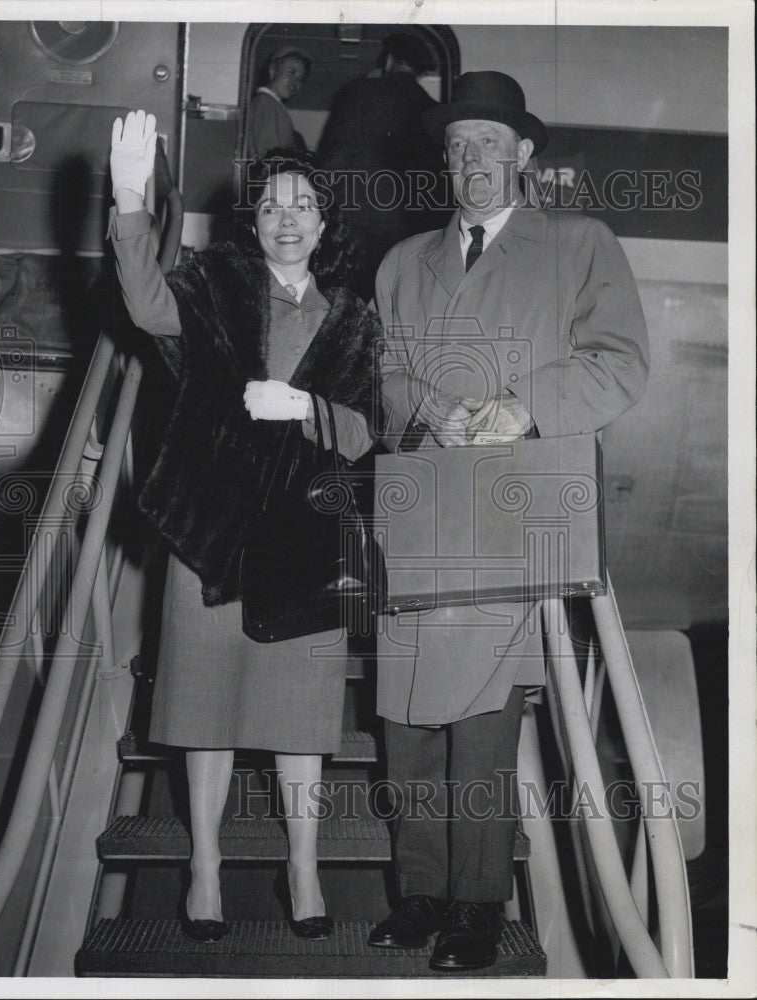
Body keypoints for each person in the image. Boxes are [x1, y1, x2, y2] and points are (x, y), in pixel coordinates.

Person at [368, 72, 649, 971]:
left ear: (524, 154)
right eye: (457, 147)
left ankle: (476, 906)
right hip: (417, 504)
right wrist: (421, 411)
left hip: (512, 508)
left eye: (489, 143)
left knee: (483, 721)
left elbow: (619, 361)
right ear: (443, 162)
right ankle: (416, 895)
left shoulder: (578, 243)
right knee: (404, 719)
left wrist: (523, 405)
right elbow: (373, 372)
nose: (472, 162)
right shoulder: (401, 262)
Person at [108, 111, 381, 943]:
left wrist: (307, 407)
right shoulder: (211, 285)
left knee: (301, 718)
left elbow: (369, 425)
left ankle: (302, 869)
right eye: (270, 207)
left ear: (325, 222)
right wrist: (128, 198)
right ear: (253, 221)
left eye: (303, 205)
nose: (287, 219)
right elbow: (146, 304)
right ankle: (204, 870)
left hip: (305, 540)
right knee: (204, 709)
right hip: (211, 534)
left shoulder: (353, 317)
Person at [316, 32, 450, 301]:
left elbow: (329, 168)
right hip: (409, 247)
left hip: (352, 238)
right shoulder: (434, 113)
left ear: (388, 60)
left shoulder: (354, 95)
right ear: (419, 71)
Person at [246, 47, 312, 159]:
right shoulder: (266, 102)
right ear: (272, 70)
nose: (295, 82)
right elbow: (269, 158)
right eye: (291, 72)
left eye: (300, 78)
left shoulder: (271, 104)